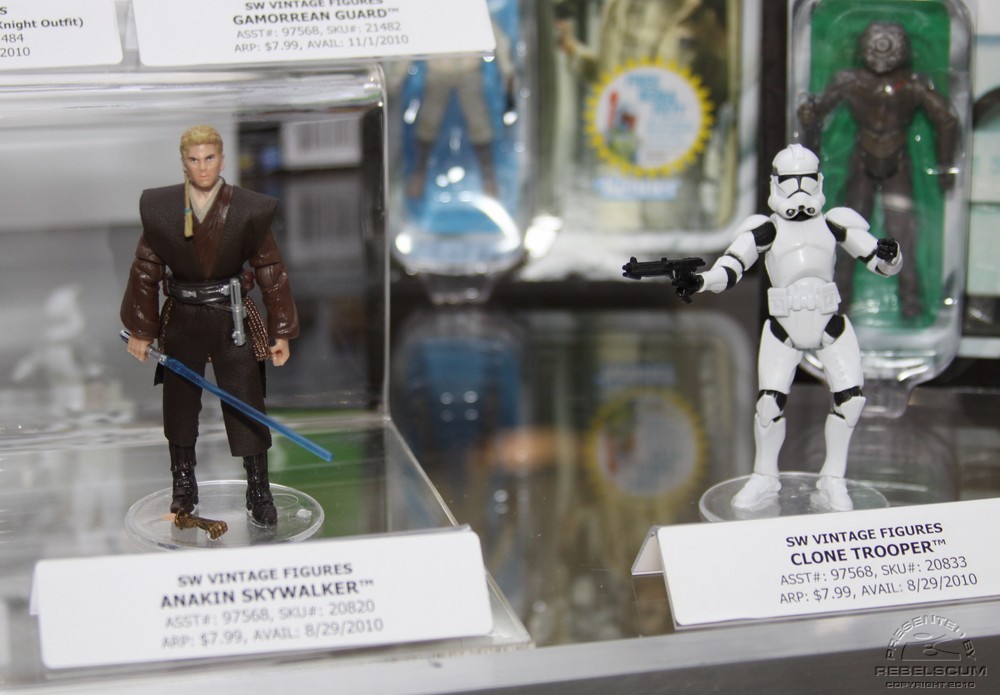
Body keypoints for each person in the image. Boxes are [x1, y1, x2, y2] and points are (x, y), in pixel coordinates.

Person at [673, 144, 902, 511]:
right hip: (784, 325)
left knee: (850, 399)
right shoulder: (766, 229)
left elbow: (880, 262)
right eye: (790, 181)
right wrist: (700, 281)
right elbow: (731, 268)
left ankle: (833, 478)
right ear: (775, 183)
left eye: (806, 181)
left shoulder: (836, 222)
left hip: (829, 321)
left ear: (818, 181)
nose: (798, 189)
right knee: (769, 405)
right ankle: (765, 476)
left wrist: (892, 255)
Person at [120, 125, 299, 527]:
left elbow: (271, 269)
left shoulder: (247, 209)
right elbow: (146, 268)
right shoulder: (163, 209)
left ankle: (258, 488)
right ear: (183, 162)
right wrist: (142, 328)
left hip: (230, 315)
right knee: (180, 405)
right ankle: (183, 485)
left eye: (210, 158)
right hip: (182, 314)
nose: (202, 167)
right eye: (194, 159)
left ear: (222, 159)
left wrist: (281, 330)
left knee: (246, 402)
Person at [798, 22, 958, 318]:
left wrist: (945, 165)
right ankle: (839, 299)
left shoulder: (912, 83)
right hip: (863, 159)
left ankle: (912, 302)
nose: (883, 49)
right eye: (877, 43)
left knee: (902, 234)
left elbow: (946, 120)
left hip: (897, 161)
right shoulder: (851, 81)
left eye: (889, 44)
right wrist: (809, 119)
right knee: (849, 232)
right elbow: (818, 112)